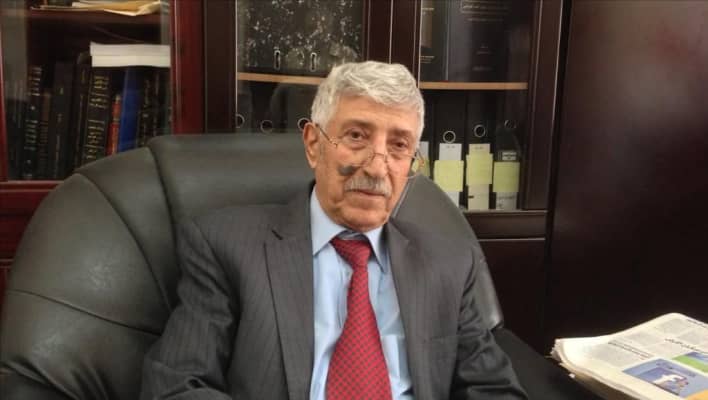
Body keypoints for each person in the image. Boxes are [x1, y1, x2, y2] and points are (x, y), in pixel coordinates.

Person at [140, 61, 527, 400]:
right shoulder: (227, 246)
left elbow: (493, 389)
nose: (377, 167)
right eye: (357, 136)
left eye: (398, 145)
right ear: (313, 144)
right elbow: (177, 385)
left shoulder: (449, 263)